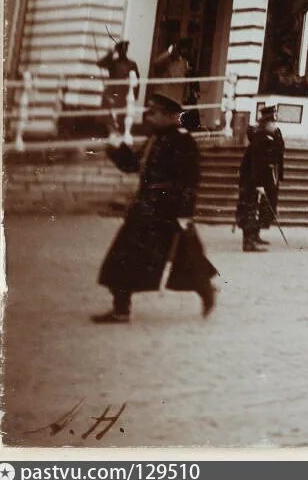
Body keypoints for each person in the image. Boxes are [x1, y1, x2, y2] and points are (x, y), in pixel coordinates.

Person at [92, 92, 218, 323]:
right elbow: (133, 166)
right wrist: (116, 146)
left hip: (169, 210)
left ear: (170, 115)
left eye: (153, 112)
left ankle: (205, 289)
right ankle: (121, 309)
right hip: (145, 208)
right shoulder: (155, 138)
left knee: (187, 257)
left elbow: (190, 179)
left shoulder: (182, 140)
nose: (148, 116)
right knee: (123, 255)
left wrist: (185, 213)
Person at [235, 104, 282, 252]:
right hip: (253, 181)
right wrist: (259, 184)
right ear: (266, 123)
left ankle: (254, 237)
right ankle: (248, 242)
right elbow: (256, 163)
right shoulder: (260, 138)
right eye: (272, 123)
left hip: (259, 179)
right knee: (251, 209)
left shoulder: (266, 136)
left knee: (257, 209)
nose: (275, 126)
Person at [97, 39, 139, 133]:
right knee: (110, 115)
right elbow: (100, 63)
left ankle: (120, 133)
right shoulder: (113, 62)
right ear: (118, 51)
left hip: (125, 93)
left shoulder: (132, 64)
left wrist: (135, 94)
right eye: (121, 50)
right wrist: (110, 53)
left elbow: (137, 79)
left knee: (122, 115)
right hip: (113, 91)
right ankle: (109, 132)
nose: (123, 52)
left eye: (125, 49)